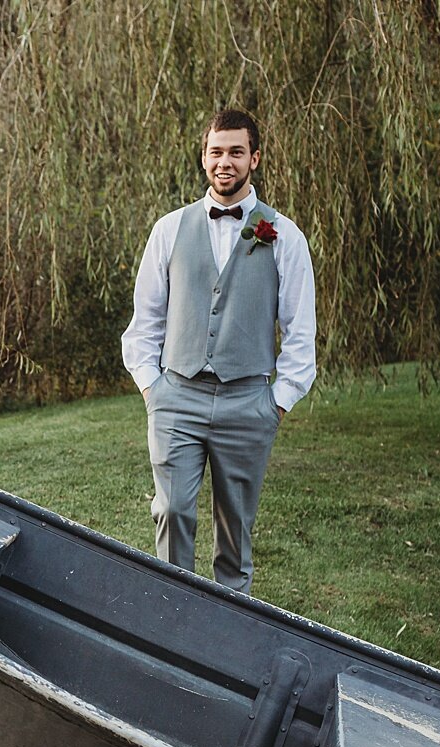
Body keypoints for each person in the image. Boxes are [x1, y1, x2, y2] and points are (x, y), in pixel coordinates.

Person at [121, 109, 317, 595]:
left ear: (254, 158)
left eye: (235, 152)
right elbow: (145, 321)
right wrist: (153, 388)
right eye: (215, 152)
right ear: (203, 158)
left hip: (247, 402)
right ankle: (174, 619)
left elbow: (299, 329)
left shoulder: (284, 236)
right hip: (176, 395)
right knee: (172, 511)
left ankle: (231, 633)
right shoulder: (169, 229)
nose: (224, 162)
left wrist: (276, 403)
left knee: (235, 534)